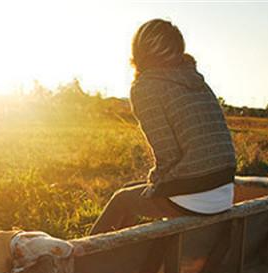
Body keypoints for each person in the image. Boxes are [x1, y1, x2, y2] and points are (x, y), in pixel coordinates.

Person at [89, 19, 237, 235]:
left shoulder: (146, 86)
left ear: (139, 49)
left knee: (121, 201)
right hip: (223, 190)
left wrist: (155, 182)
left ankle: (80, 265)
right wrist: (154, 183)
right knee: (131, 191)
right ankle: (120, 256)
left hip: (195, 195)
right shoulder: (196, 80)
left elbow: (167, 156)